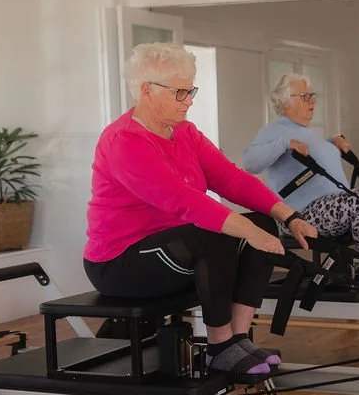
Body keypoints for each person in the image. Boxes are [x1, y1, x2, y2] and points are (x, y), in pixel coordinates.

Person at [83, 43, 318, 378]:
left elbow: (231, 179)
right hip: (120, 262)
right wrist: (248, 233)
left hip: (173, 249)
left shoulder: (185, 132)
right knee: (217, 233)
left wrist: (288, 217)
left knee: (261, 222)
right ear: (147, 90)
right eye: (180, 93)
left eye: (190, 91)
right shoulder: (124, 141)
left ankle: (238, 338)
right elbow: (182, 200)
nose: (189, 101)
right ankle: (219, 346)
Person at [242, 74, 359, 287]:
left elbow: (314, 154)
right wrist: (284, 144)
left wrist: (333, 141)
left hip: (334, 205)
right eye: (304, 96)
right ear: (285, 102)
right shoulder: (273, 131)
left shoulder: (307, 131)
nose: (311, 100)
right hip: (303, 215)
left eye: (312, 95)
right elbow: (249, 162)